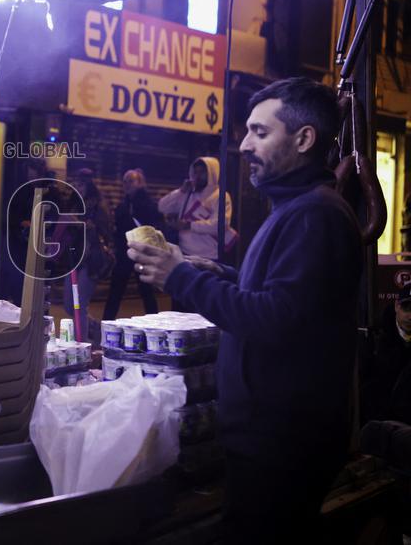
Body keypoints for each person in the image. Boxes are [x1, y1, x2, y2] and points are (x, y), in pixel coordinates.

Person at [127, 77, 361, 543]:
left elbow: (274, 319)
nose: (243, 145)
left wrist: (181, 277)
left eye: (259, 132)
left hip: (282, 443)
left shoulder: (315, 215)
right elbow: (285, 298)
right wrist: (211, 270)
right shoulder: (294, 209)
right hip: (267, 439)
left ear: (304, 138)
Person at [51, 171, 112, 342]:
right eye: (75, 185)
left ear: (89, 186)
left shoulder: (99, 205)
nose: (77, 188)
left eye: (81, 185)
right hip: (73, 259)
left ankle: (82, 346)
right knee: (69, 306)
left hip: (90, 259)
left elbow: (104, 231)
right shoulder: (73, 204)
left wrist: (81, 223)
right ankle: (95, 327)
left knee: (80, 306)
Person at [103, 169, 160, 321]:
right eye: (125, 181)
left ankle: (155, 324)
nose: (127, 184)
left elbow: (153, 225)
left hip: (141, 253)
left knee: (146, 291)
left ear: (140, 183)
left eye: (131, 180)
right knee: (115, 291)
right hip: (124, 253)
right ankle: (106, 324)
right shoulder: (124, 203)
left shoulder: (147, 202)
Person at [158, 156, 235, 260]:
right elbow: (162, 207)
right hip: (183, 253)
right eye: (195, 172)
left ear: (212, 173)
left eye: (202, 172)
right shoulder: (188, 193)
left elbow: (220, 225)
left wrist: (189, 225)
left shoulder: (221, 196)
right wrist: (181, 191)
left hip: (208, 256)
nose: (197, 176)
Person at [361, 284, 411, 425]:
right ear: (396, 306)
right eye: (406, 308)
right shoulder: (374, 340)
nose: (410, 316)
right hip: (383, 425)